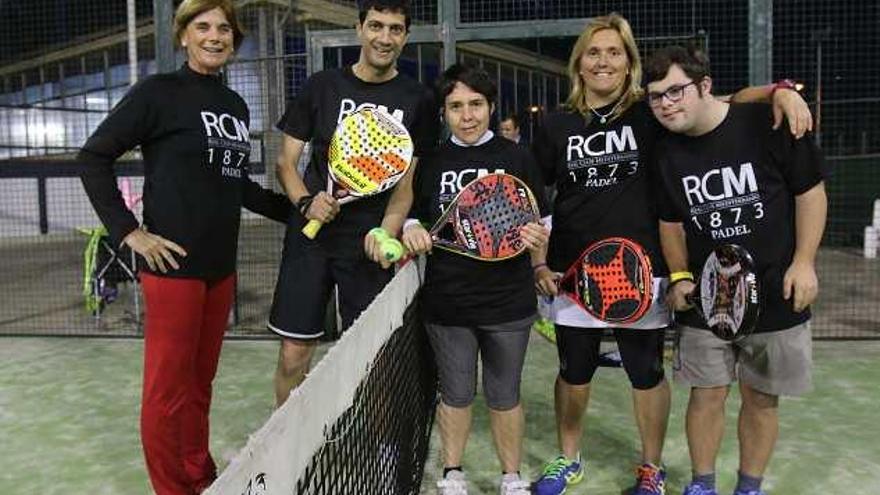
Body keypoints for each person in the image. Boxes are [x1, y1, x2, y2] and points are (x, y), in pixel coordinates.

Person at [529, 13, 813, 495]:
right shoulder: (556, 125)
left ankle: (651, 468)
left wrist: (779, 90)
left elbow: (727, 102)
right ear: (578, 63)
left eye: (614, 52)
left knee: (646, 373)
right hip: (574, 272)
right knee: (573, 372)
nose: (603, 61)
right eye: (594, 52)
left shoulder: (653, 111)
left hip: (643, 275)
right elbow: (535, 199)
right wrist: (539, 263)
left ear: (629, 63)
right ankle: (568, 458)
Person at [78, 1, 290, 493]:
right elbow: (93, 158)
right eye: (203, 27)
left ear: (233, 40)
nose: (215, 36)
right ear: (183, 37)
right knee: (166, 394)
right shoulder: (159, 93)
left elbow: (238, 186)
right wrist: (129, 232)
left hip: (220, 270)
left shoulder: (235, 106)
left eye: (224, 29)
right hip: (173, 269)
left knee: (199, 387)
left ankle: (198, 474)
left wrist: (300, 211)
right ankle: (172, 488)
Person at [645, 44, 828, 495]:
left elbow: (810, 193)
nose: (666, 103)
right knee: (705, 395)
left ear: (705, 86)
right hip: (708, 298)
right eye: (655, 96)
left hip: (775, 291)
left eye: (676, 91)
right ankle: (702, 485)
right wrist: (682, 275)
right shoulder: (666, 153)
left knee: (762, 399)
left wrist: (804, 263)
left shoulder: (767, 123)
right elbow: (670, 224)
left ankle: (749, 487)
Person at [367, 64, 549, 495]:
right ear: (444, 112)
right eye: (456, 107)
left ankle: (511, 477)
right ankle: (452, 474)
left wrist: (537, 242)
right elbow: (413, 212)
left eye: (476, 105)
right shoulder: (429, 160)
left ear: (490, 107)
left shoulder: (517, 157)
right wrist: (410, 226)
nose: (467, 116)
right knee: (456, 393)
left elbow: (539, 220)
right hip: (448, 303)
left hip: (509, 302)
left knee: (505, 394)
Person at [269, 0, 437, 407]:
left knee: (372, 356)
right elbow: (285, 163)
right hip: (310, 240)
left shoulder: (418, 99)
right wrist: (306, 202)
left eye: (395, 29)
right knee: (294, 355)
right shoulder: (322, 86)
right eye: (376, 26)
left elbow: (405, 187)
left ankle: (377, 448)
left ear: (405, 36)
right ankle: (287, 446)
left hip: (367, 244)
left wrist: (386, 230)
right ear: (359, 28)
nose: (384, 37)